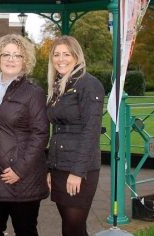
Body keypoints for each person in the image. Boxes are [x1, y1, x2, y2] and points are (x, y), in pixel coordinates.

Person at [0, 34, 49, 236]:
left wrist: (19, 169)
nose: (11, 59)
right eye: (6, 54)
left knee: (25, 230)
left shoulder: (33, 93)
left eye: (17, 55)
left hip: (21, 180)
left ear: (25, 61)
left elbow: (40, 135)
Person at [46, 36, 105, 236]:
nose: (61, 59)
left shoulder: (89, 84)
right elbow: (58, 130)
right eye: (56, 54)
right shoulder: (59, 86)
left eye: (66, 54)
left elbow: (91, 130)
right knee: (73, 228)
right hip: (59, 166)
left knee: (73, 228)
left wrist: (77, 172)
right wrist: (49, 168)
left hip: (79, 169)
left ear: (76, 56)